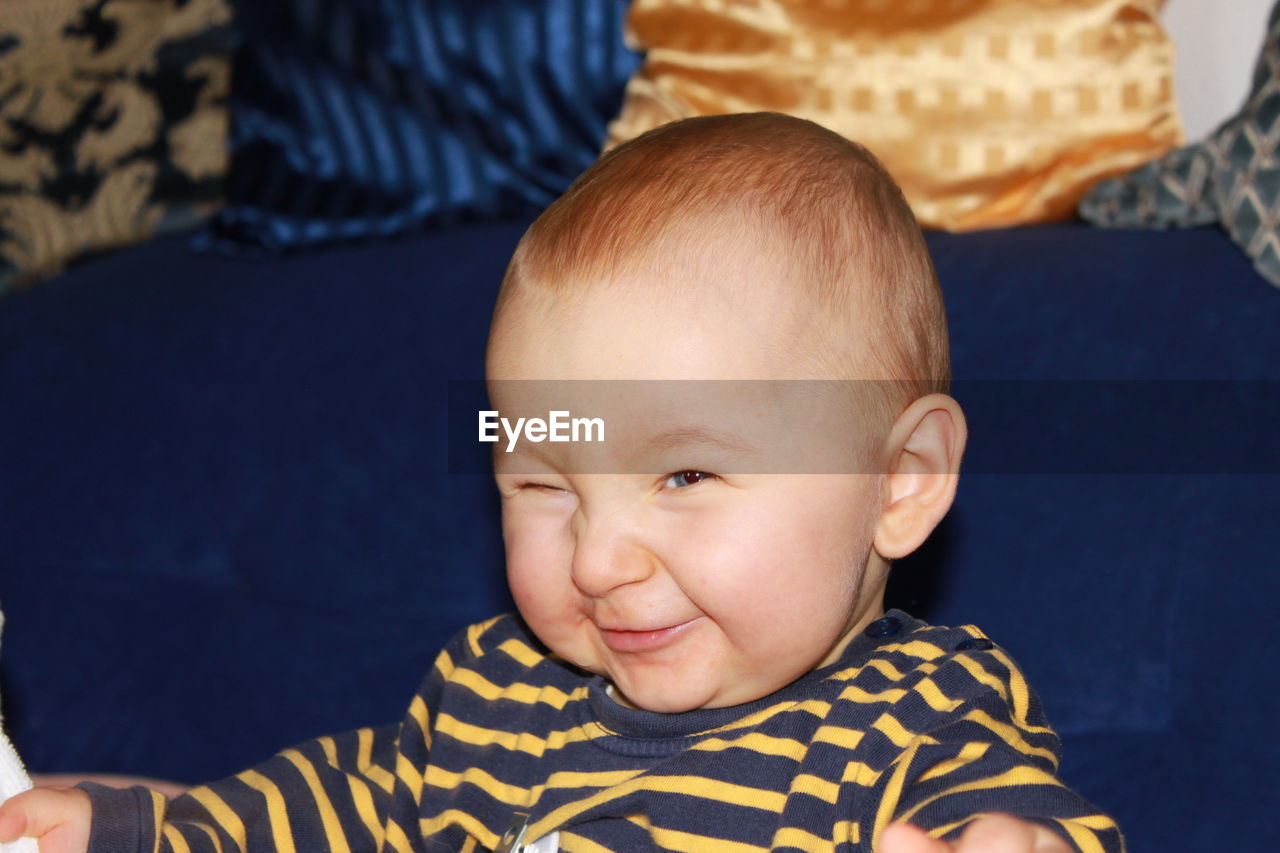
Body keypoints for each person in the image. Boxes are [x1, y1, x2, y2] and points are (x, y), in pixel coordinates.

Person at [0, 113, 1122, 853]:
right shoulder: (492, 695)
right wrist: (139, 830)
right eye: (541, 483)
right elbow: (336, 808)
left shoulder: (912, 722)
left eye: (681, 472)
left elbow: (1032, 824)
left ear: (897, 481)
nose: (594, 560)